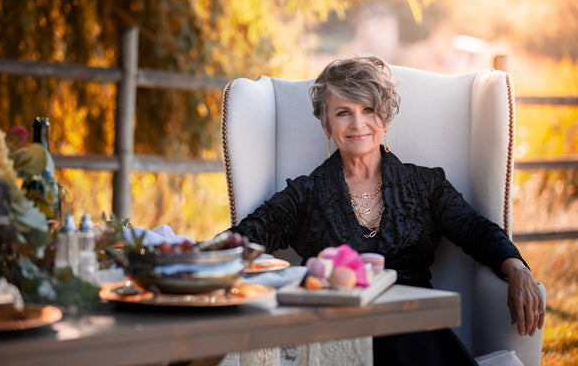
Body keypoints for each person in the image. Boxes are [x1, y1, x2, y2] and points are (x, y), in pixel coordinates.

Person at [228, 55, 544, 365]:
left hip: (419, 335)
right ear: (326, 125)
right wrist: (192, 260)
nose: (358, 124)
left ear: (386, 118)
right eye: (342, 113)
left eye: (369, 109)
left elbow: (476, 230)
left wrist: (516, 268)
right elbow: (247, 237)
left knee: (407, 320)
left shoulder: (425, 183)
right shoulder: (305, 194)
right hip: (343, 345)